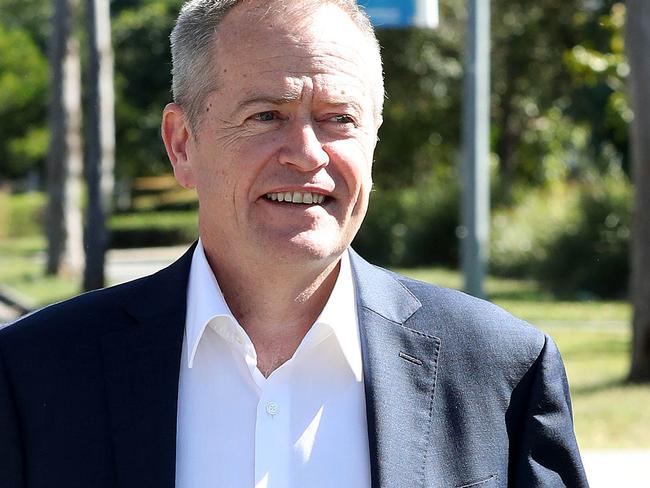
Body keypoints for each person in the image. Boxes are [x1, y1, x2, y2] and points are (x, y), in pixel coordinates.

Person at [0, 1, 589, 487]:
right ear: (182, 144)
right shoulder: (34, 375)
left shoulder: (502, 370)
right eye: (265, 116)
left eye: (339, 118)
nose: (307, 153)